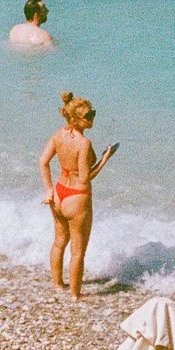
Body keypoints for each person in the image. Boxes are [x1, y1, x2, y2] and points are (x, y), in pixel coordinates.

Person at [38, 92, 114, 299]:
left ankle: (57, 285)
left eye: (93, 113)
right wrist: (106, 158)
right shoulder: (84, 143)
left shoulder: (59, 134)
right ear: (75, 119)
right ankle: (75, 295)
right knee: (78, 251)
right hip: (77, 198)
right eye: (89, 115)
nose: (93, 118)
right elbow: (85, 178)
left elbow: (43, 161)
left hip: (60, 193)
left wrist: (49, 190)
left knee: (59, 242)